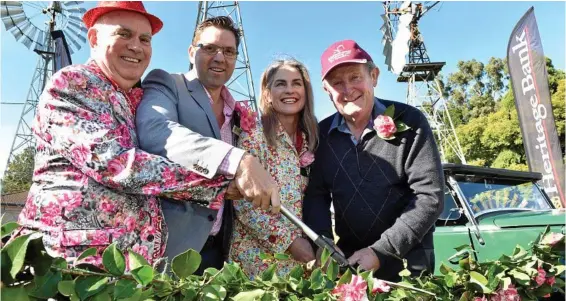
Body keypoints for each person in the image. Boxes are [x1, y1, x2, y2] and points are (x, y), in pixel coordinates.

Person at [13, 1, 239, 266]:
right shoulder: (73, 83)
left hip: (129, 268)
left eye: (145, 39)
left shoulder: (137, 99)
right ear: (94, 38)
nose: (136, 46)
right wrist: (219, 183)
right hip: (69, 263)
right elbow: (115, 163)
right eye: (124, 34)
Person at [136, 16, 279, 273]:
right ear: (192, 52)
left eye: (228, 51)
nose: (220, 58)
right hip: (168, 249)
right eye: (210, 48)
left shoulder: (237, 111)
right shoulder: (167, 83)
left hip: (217, 249)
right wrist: (238, 160)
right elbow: (156, 131)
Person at [303, 40, 444, 281]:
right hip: (350, 264)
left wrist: (381, 251)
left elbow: (429, 196)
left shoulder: (410, 121)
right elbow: (316, 196)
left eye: (355, 77)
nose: (347, 89)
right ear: (327, 90)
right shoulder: (320, 135)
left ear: (374, 76)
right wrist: (324, 243)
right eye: (337, 82)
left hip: (410, 263)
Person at [229, 59, 318, 279]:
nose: (289, 90)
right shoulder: (254, 135)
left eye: (296, 83)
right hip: (258, 261)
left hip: (302, 261)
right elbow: (242, 201)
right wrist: (289, 242)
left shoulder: (311, 139)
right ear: (267, 93)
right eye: (280, 84)